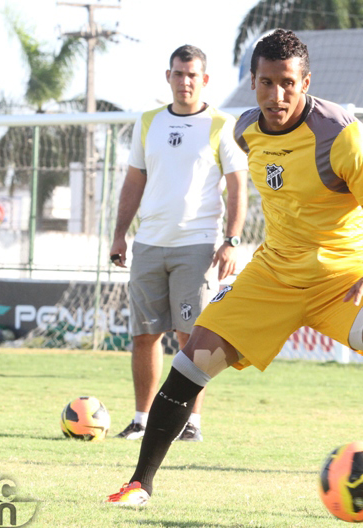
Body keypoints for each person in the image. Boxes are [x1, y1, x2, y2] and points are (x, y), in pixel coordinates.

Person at [107, 29, 363, 509]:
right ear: (252, 82)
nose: (277, 96)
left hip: (341, 278)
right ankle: (139, 484)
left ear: (305, 81)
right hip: (272, 275)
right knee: (193, 358)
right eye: (266, 83)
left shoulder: (341, 133)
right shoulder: (244, 131)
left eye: (288, 84)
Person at [109, 44, 248, 443]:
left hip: (198, 246)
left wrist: (232, 240)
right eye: (178, 74)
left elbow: (239, 187)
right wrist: (120, 233)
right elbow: (134, 181)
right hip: (149, 244)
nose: (185, 81)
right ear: (167, 77)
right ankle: (141, 419)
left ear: (204, 80)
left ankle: (191, 423)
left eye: (192, 75)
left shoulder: (223, 123)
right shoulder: (148, 122)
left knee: (193, 337)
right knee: (144, 336)